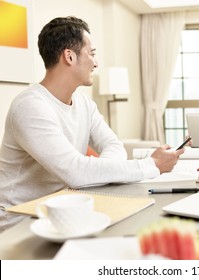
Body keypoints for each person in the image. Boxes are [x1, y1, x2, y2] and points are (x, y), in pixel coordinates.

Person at [0, 16, 184, 232]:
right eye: (92, 54)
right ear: (69, 56)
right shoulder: (31, 106)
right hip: (21, 222)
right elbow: (75, 171)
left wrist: (97, 173)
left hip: (66, 211)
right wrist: (150, 165)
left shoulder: (84, 103)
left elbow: (114, 146)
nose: (96, 63)